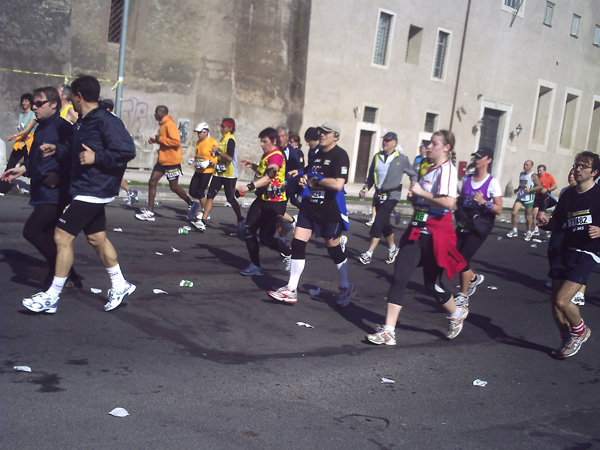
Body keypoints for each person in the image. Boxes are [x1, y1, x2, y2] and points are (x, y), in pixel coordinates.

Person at [20, 75, 137, 313]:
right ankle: (120, 283)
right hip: (85, 187)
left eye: (70, 96)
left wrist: (98, 157)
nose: (68, 100)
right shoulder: (84, 121)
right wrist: (58, 150)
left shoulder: (105, 120)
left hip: (94, 189)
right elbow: (74, 151)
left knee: (62, 237)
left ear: (78, 96)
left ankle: (52, 296)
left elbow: (127, 150)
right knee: (97, 239)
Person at [367, 130, 467, 346]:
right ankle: (389, 331)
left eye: (434, 143)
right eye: (429, 143)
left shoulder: (447, 170)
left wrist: (422, 193)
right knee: (400, 276)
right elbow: (426, 201)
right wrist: (416, 199)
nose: (429, 146)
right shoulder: (430, 170)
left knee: (433, 285)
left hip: (436, 235)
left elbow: (449, 203)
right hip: (417, 230)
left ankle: (457, 313)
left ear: (446, 147)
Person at [1, 86, 80, 289]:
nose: (34, 107)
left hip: (55, 191)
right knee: (51, 234)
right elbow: (37, 158)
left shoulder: (63, 127)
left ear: (54, 104)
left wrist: (60, 175)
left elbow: (75, 157)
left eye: (39, 103)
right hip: (42, 190)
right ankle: (68, 276)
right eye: (33, 103)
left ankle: (59, 273)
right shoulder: (42, 126)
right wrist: (22, 169)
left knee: (32, 231)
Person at [268, 121, 353, 307]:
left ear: (336, 136)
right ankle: (291, 288)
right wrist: (302, 176)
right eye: (321, 132)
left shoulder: (340, 155)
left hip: (330, 209)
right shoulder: (316, 154)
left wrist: (316, 180)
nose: (321, 135)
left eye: (326, 133)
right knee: (298, 243)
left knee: (333, 247)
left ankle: (345, 285)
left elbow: (338, 184)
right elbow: (310, 172)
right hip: (310, 206)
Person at [537, 151, 600, 358]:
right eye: (576, 165)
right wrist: (546, 223)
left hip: (587, 252)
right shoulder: (568, 195)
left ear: (595, 172)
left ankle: (580, 331)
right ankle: (567, 339)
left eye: (583, 166)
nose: (577, 169)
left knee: (564, 301)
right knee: (555, 304)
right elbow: (558, 222)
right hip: (566, 249)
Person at [237, 127, 292, 276]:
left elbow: (269, 176)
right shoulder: (266, 155)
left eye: (264, 141)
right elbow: (263, 172)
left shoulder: (276, 156)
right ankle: (255, 265)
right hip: (262, 199)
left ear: (274, 141)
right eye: (261, 141)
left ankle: (290, 254)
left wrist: (247, 187)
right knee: (248, 230)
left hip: (275, 203)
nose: (261, 144)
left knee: (267, 239)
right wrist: (252, 166)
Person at [453, 147, 503, 306]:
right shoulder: (467, 178)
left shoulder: (492, 183)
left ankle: (463, 294)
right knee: (453, 255)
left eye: (481, 157)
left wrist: (483, 202)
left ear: (489, 160)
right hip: (464, 221)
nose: (477, 160)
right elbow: (461, 199)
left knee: (463, 259)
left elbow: (499, 209)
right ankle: (473, 278)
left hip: (479, 226)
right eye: (475, 157)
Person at [358, 132, 417, 265]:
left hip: (392, 195)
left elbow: (413, 174)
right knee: (385, 225)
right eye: (384, 140)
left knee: (378, 221)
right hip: (379, 195)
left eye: (388, 140)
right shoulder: (377, 157)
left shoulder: (401, 159)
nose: (385, 142)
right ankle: (392, 248)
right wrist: (365, 189)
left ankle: (369, 253)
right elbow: (370, 178)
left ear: (394, 143)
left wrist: (413, 188)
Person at [135, 105, 197, 222]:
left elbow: (175, 142)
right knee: (152, 182)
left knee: (174, 187)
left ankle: (191, 203)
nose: (154, 115)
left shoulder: (169, 124)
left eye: (156, 112)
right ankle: (150, 211)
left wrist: (160, 140)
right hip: (162, 161)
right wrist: (155, 141)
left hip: (171, 162)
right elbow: (165, 142)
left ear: (161, 112)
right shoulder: (163, 125)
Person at [194, 118, 245, 234]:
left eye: (223, 127)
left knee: (230, 198)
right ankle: (203, 220)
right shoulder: (222, 139)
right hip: (219, 172)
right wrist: (215, 154)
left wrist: (217, 152)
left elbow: (230, 158)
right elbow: (221, 155)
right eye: (221, 126)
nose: (221, 128)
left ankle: (240, 219)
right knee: (210, 195)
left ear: (230, 128)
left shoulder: (231, 140)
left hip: (229, 174)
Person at [101, 98, 138, 206]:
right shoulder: (110, 119)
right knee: (114, 176)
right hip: (111, 154)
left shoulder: (112, 120)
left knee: (114, 175)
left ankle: (130, 191)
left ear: (107, 109)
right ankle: (130, 191)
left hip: (113, 154)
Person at [1, 93, 37, 194]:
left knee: (29, 167)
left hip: (28, 143)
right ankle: (2, 187)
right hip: (20, 142)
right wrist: (17, 137)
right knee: (10, 165)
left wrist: (14, 135)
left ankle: (33, 189)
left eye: (26, 101)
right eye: (23, 101)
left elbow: (27, 130)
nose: (24, 103)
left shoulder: (33, 114)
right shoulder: (21, 115)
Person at [189, 122, 218, 231]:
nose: (198, 135)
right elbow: (198, 155)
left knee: (201, 191)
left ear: (206, 132)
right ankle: (204, 208)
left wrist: (209, 161)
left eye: (200, 133)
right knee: (192, 191)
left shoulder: (212, 142)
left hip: (207, 170)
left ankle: (206, 212)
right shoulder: (199, 142)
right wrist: (193, 159)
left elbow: (216, 158)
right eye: (197, 133)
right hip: (198, 169)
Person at [506, 160, 542, 241]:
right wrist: (517, 189)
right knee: (514, 212)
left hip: (528, 199)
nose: (525, 166)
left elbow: (539, 186)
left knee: (527, 216)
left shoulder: (533, 175)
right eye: (524, 164)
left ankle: (528, 231)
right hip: (520, 197)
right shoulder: (521, 174)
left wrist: (531, 189)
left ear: (531, 166)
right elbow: (522, 184)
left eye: (527, 165)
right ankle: (514, 230)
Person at [532, 164, 557, 236]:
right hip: (537, 197)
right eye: (538, 170)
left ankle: (547, 226)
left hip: (545, 198)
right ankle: (536, 229)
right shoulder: (535, 177)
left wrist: (547, 190)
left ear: (544, 171)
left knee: (541, 214)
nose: (539, 172)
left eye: (540, 171)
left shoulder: (549, 176)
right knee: (535, 212)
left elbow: (555, 186)